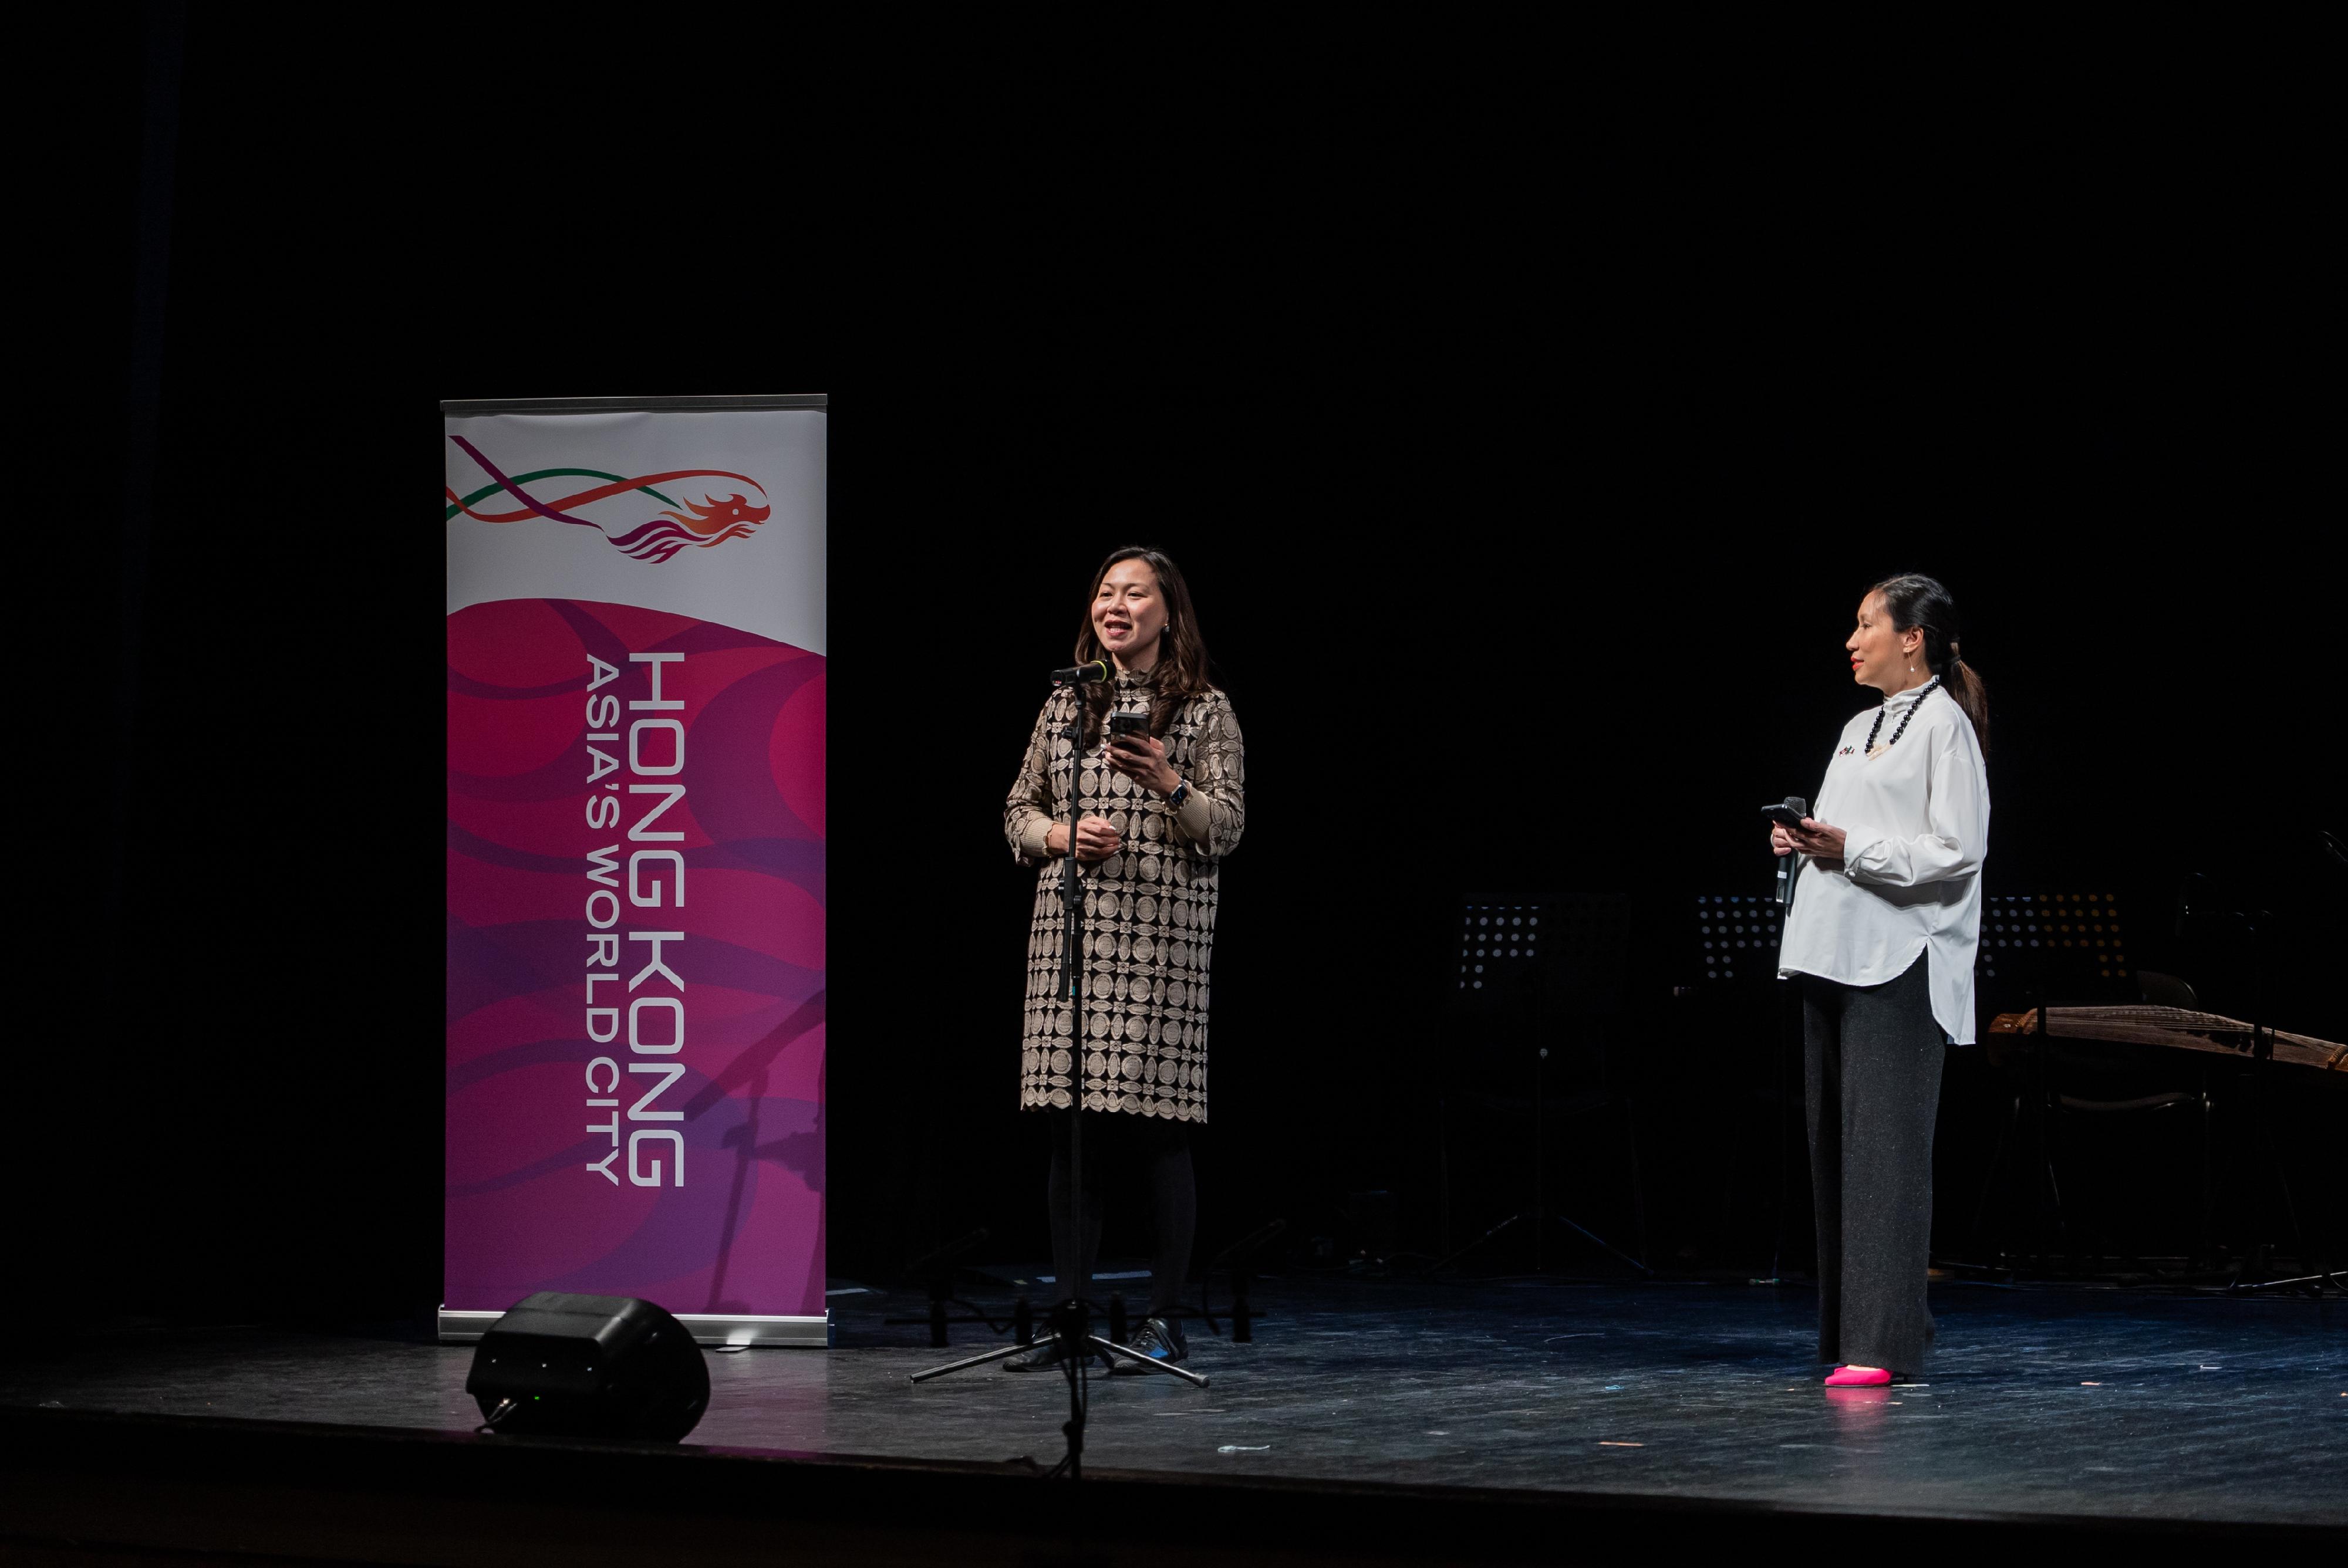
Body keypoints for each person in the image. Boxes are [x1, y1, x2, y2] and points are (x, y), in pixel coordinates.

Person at [1001, 547, 1245, 1373]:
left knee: (1156, 1131)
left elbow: (1228, 829)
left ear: (1167, 612)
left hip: (1159, 946)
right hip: (1069, 942)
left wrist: (1171, 783)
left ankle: (1163, 1319)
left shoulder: (1205, 711)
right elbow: (1017, 815)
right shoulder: (1066, 703)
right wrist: (1063, 836)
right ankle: (1072, 1318)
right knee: (1073, 1137)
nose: (1116, 605)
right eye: (1106, 593)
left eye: (1134, 593)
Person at [1775, 573, 1991, 1388]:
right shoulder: (1857, 725)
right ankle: (1850, 1334)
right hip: (1832, 952)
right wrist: (1802, 842)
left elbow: (1954, 853)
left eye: (1866, 624)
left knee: (1884, 1159)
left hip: (1901, 961)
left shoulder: (1945, 728)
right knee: (1837, 1153)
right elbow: (1846, 833)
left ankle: (1882, 1344)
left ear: (1914, 637)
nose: (1851, 639)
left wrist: (1847, 849)